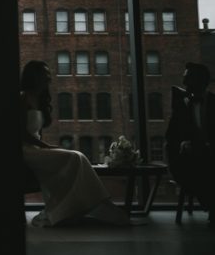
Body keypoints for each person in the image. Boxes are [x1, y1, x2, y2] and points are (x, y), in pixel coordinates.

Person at [20, 60, 135, 227]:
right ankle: (78, 207)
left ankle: (87, 205)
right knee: (75, 157)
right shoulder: (23, 97)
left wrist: (45, 147)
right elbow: (21, 133)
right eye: (45, 75)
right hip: (26, 151)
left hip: (36, 149)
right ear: (35, 76)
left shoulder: (38, 99)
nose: (49, 78)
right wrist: (47, 147)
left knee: (78, 157)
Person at [166, 62, 215, 229]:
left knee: (207, 161)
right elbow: (170, 136)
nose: (184, 84)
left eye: (188, 79)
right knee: (198, 161)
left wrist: (210, 145)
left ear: (201, 81)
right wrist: (183, 144)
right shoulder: (182, 106)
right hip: (187, 160)